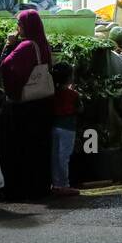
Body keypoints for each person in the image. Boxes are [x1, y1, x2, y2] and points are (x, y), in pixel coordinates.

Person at [0, 9, 56, 200]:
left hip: (25, 107)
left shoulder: (26, 46)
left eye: (20, 24)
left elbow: (7, 66)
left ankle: (21, 189)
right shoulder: (43, 44)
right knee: (38, 148)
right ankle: (39, 187)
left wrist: (8, 46)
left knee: (20, 148)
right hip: (42, 105)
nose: (17, 28)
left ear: (27, 26)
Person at [49, 61, 80, 196]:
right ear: (69, 78)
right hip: (68, 128)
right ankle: (64, 185)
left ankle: (56, 184)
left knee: (55, 156)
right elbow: (80, 109)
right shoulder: (73, 94)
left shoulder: (51, 93)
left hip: (54, 126)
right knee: (64, 157)